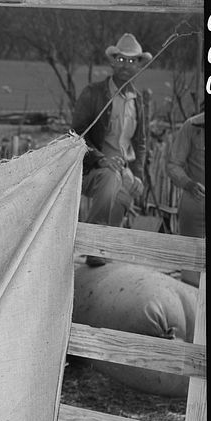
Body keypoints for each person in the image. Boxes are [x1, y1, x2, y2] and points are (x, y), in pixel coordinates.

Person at [71, 33, 150, 263]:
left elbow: (141, 142)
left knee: (125, 192)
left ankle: (106, 251)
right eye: (122, 60)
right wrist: (100, 159)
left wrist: (138, 175)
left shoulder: (138, 100)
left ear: (139, 65)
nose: (127, 65)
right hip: (93, 168)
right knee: (110, 178)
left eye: (132, 61)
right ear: (113, 62)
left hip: (123, 169)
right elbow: (76, 136)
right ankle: (93, 245)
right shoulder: (94, 94)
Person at [167, 110, 205, 286]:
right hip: (197, 199)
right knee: (191, 269)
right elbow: (174, 165)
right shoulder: (192, 126)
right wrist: (188, 184)